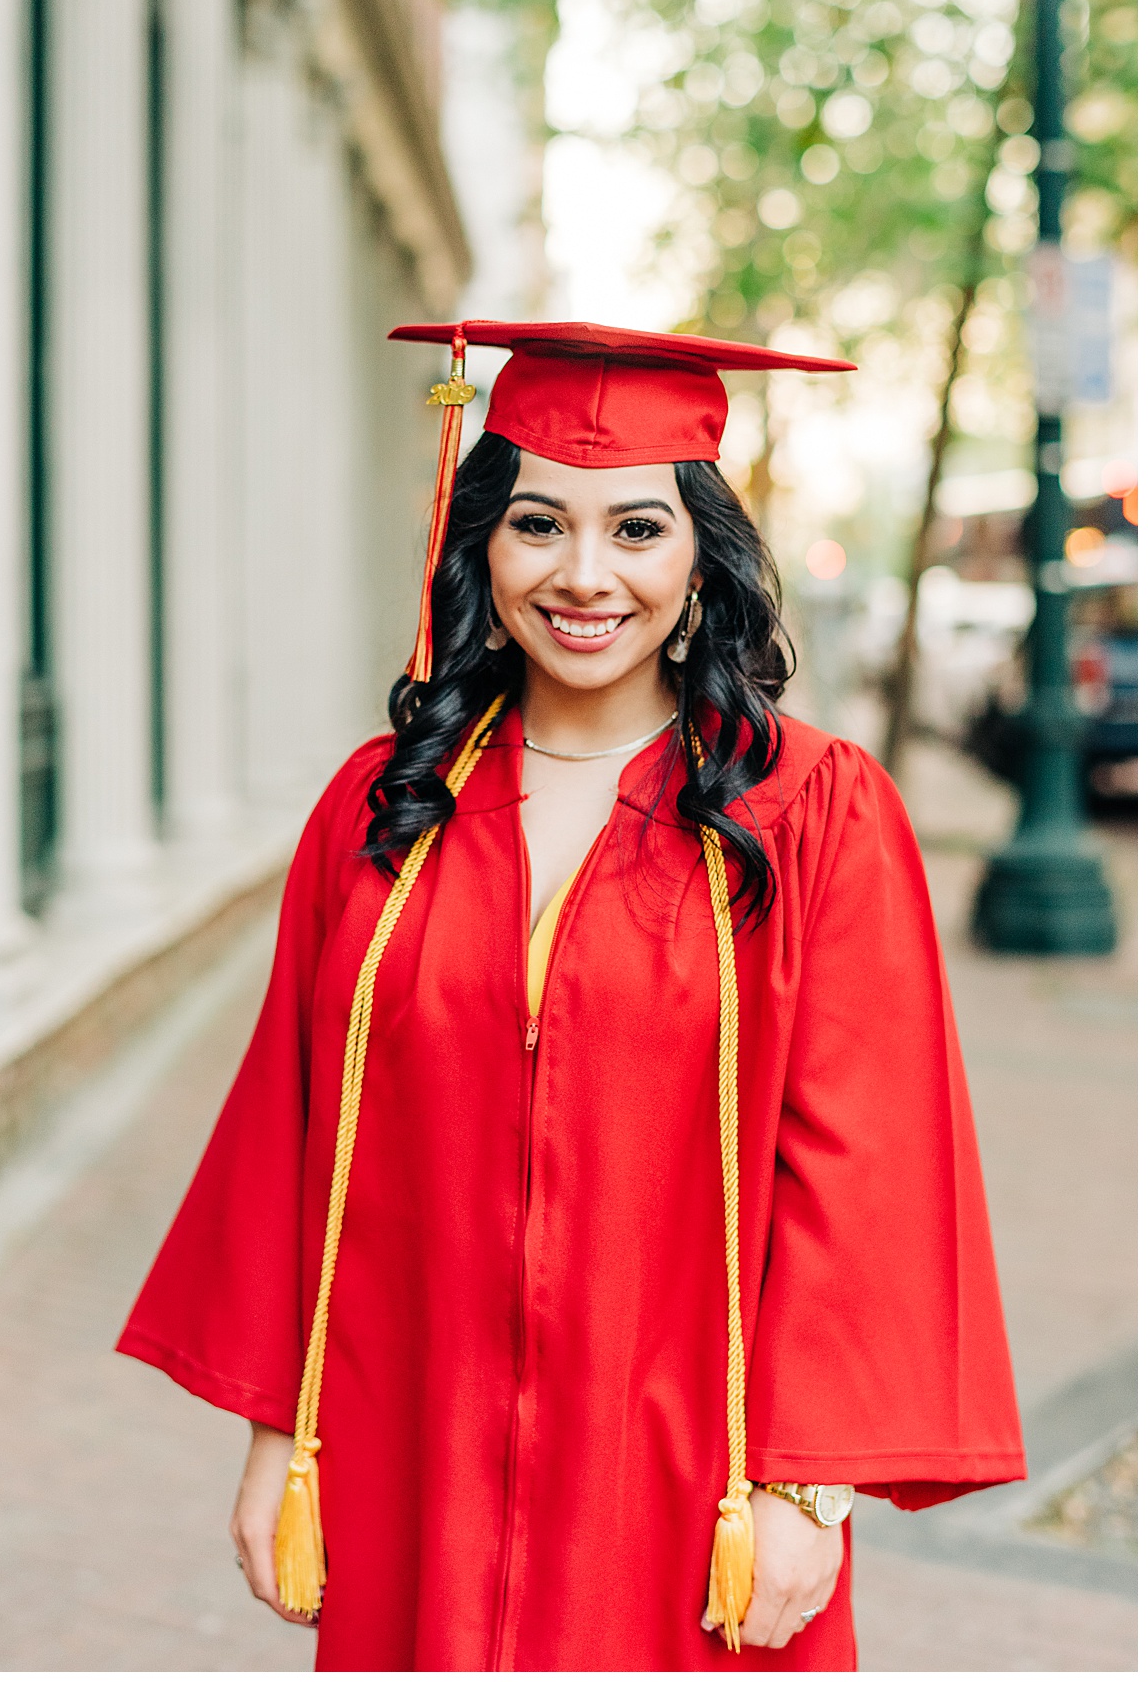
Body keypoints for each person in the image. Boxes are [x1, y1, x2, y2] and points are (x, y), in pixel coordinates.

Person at [118, 320, 1025, 1672]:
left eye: (637, 531)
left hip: (692, 1485)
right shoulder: (386, 812)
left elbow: (866, 1167)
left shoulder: (809, 812)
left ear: (702, 558)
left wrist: (805, 1487)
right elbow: (294, 1147)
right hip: (414, 1453)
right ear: (482, 541)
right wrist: (279, 1440)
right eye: (540, 524)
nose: (585, 575)